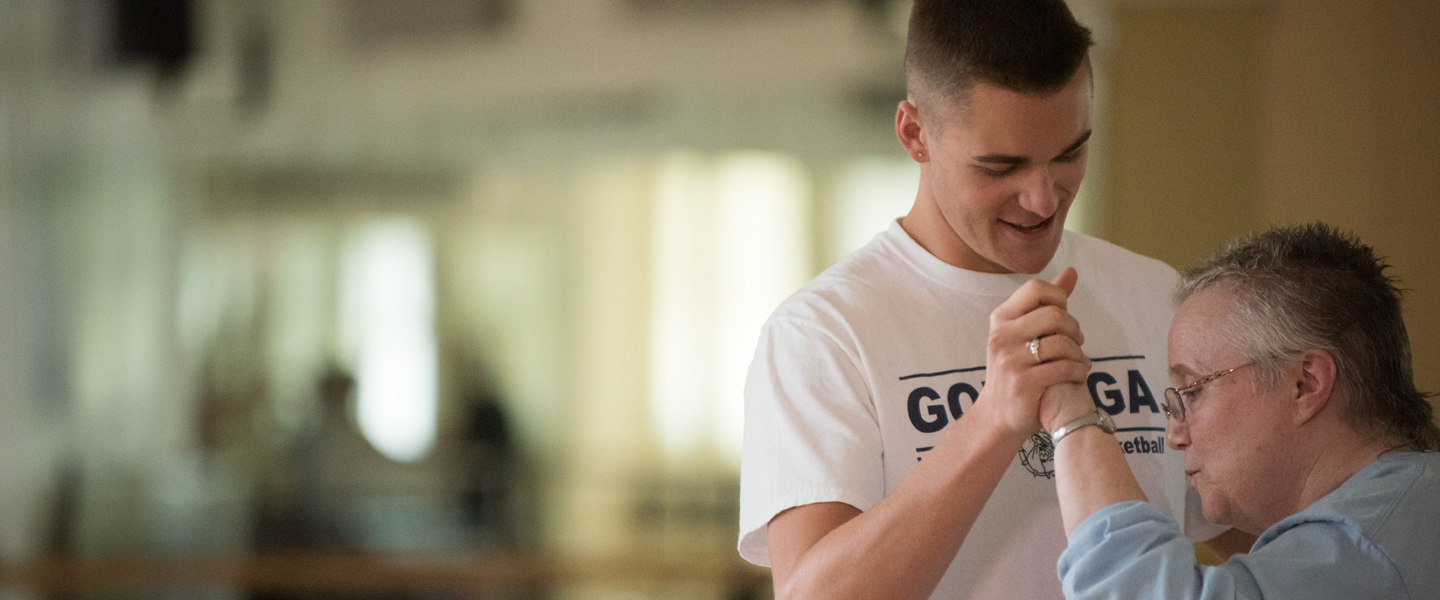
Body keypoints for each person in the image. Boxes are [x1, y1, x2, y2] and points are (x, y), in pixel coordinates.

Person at [737, 1, 1244, 598]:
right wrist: (992, 420)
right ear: (915, 134)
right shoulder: (823, 334)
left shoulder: (1156, 297)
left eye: (1069, 155)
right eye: (1001, 167)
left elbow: (1285, 551)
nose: (1042, 200)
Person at [1041, 222, 1440, 598]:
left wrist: (1071, 415)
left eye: (1192, 391)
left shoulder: (1369, 544)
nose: (1174, 436)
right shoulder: (1408, 508)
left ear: (1306, 384)